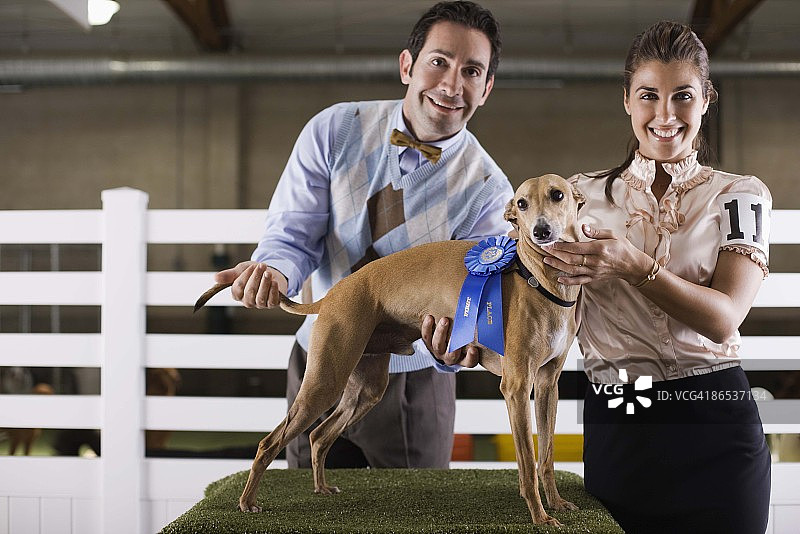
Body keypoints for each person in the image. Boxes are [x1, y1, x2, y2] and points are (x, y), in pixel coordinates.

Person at [429, 20, 772, 534]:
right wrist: (470, 344)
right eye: (648, 95)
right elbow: (536, 316)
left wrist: (635, 266)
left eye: (683, 96)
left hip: (717, 416)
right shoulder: (572, 196)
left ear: (706, 99)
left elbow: (724, 320)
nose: (665, 115)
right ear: (627, 101)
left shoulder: (741, 195)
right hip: (621, 414)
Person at [214, 1, 513, 470]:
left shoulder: (491, 194)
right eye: (439, 62)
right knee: (305, 514)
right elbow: (293, 233)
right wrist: (273, 270)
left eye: (472, 71)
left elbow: (476, 306)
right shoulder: (334, 130)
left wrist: (456, 346)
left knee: (411, 519)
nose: (452, 85)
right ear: (407, 66)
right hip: (318, 356)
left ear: (487, 88)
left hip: (412, 383)